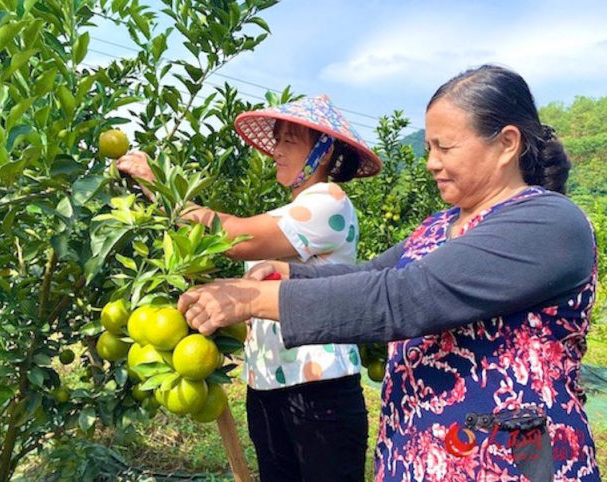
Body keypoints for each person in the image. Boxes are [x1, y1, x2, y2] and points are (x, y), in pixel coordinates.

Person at [178, 65, 601, 481]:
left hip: (506, 463)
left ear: (507, 143)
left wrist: (250, 300)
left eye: (445, 147)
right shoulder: (439, 225)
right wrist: (287, 275)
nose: (431, 163)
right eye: (429, 148)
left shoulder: (548, 223)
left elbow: (405, 296)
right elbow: (371, 275)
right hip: (416, 454)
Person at [117, 94, 382, 481]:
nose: (277, 150)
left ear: (323, 152)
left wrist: (162, 187)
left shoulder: (329, 201)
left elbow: (236, 237)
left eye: (289, 140)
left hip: (318, 389)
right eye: (277, 140)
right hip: (267, 384)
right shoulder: (286, 213)